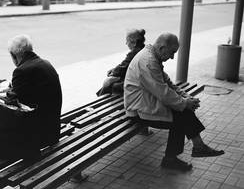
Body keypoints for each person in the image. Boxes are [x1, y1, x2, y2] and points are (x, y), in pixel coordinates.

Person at [124, 32, 224, 171]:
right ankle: (185, 153)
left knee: (181, 112)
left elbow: (168, 84)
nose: (172, 57)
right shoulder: (148, 62)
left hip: (147, 103)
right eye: (172, 52)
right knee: (180, 116)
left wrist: (185, 97)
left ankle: (192, 150)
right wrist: (184, 103)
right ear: (162, 48)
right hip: (138, 110)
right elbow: (163, 93)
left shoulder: (152, 56)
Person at [0, 34, 62, 158]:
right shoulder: (45, 63)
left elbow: (16, 105)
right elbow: (31, 91)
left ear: (13, 56)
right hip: (52, 130)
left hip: (38, 136)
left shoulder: (21, 71)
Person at [96, 29, 146, 96]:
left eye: (127, 41)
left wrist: (112, 73)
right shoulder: (144, 49)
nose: (126, 43)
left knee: (109, 84)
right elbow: (125, 66)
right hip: (142, 81)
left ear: (133, 42)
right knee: (111, 81)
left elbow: (122, 68)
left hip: (137, 85)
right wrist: (114, 71)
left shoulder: (134, 53)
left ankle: (99, 104)